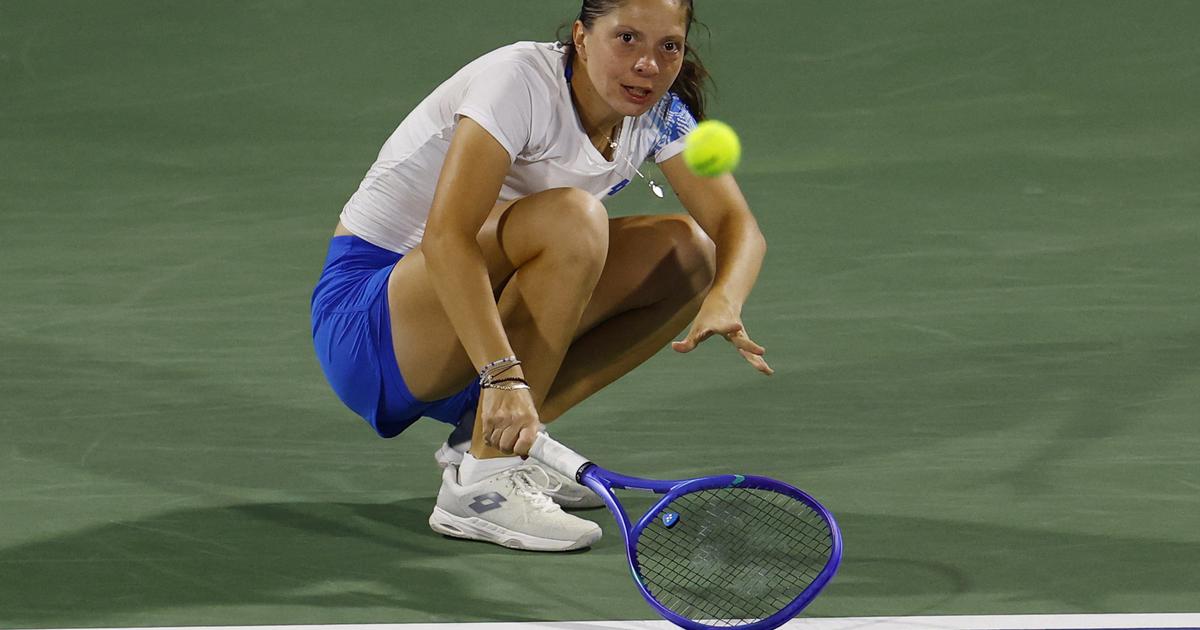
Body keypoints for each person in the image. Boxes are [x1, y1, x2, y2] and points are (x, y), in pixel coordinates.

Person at [311, 0, 771, 553]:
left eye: (667, 45)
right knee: (574, 220)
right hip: (370, 326)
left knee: (690, 253)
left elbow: (736, 226)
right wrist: (503, 377)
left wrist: (725, 297)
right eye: (627, 38)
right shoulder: (518, 82)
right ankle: (482, 487)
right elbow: (447, 238)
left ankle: (485, 441)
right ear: (581, 36)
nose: (648, 64)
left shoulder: (659, 114)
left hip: (469, 324)